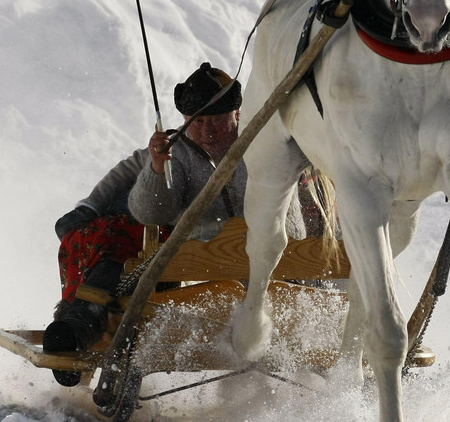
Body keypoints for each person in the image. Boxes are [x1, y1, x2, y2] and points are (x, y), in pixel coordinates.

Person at [43, 63, 303, 380]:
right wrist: (103, 198)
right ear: (185, 120)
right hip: (194, 258)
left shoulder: (264, 143)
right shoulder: (177, 151)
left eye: (218, 120)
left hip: (273, 257)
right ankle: (79, 327)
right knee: (122, 239)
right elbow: (137, 188)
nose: (207, 131)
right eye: (198, 121)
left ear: (236, 114)